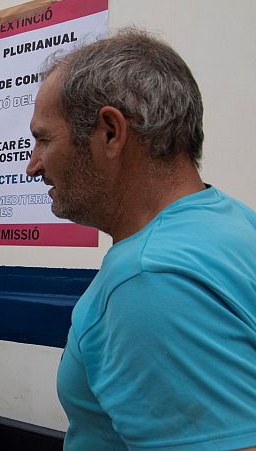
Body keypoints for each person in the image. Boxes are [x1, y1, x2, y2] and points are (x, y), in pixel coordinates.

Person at [26, 30, 256, 450]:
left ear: (111, 132)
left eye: (43, 139)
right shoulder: (235, 224)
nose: (33, 166)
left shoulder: (149, 278)